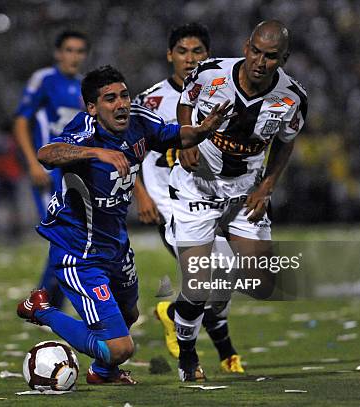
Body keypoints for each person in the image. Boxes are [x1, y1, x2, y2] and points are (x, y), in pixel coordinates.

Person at [16, 65, 234, 385]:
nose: (121, 104)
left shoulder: (141, 121)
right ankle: (40, 309)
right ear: (92, 107)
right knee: (120, 347)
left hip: (115, 245)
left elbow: (176, 135)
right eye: (110, 99)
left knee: (129, 314)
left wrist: (203, 129)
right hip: (79, 250)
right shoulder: (85, 131)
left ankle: (102, 374)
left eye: (124, 95)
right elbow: (47, 153)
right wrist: (95, 154)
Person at [169, 20, 308, 381]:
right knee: (199, 285)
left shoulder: (293, 98)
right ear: (247, 47)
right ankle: (187, 354)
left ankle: (192, 298)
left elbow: (286, 141)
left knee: (260, 282)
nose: (260, 62)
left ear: (284, 59)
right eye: (256, 52)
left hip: (246, 191)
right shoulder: (209, 74)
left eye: (271, 57)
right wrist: (186, 141)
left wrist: (268, 186)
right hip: (196, 187)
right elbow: (186, 103)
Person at [133, 23, 243, 375]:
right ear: (170, 55)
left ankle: (174, 317)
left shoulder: (223, 93)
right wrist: (142, 194)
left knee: (221, 274)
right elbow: (128, 150)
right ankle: (216, 355)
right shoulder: (151, 100)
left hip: (212, 197)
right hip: (170, 202)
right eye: (183, 51)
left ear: (207, 56)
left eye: (197, 52)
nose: (190, 58)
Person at [14, 30, 89, 308]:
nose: (74, 56)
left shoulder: (84, 86)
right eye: (69, 50)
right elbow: (21, 121)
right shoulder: (44, 80)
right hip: (48, 172)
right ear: (58, 53)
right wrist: (33, 163)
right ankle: (43, 301)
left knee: (73, 237)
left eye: (80, 51)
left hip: (74, 174)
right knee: (63, 235)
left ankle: (47, 302)